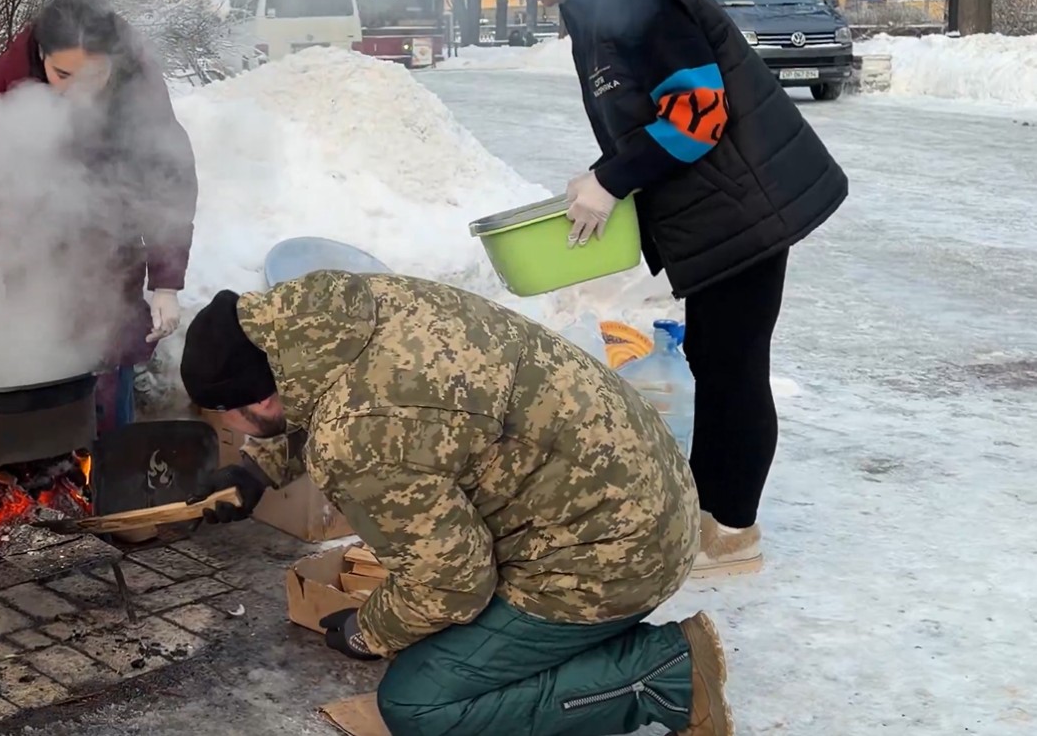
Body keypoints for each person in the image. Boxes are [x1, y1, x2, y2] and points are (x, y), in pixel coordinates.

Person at [181, 271, 728, 736]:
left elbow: (452, 584)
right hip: (646, 483)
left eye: (224, 414)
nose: (225, 427)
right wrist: (258, 469)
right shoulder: (347, 310)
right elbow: (370, 404)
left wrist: (369, 631)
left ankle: (666, 676)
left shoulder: (355, 439)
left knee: (419, 702)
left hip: (613, 555)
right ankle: (583, 649)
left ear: (263, 398)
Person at [491, 0, 848, 578]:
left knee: (734, 367)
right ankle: (710, 512)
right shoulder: (596, 3)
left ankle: (733, 535)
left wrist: (614, 180)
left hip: (745, 207)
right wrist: (604, 171)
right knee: (718, 361)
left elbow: (699, 114)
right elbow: (649, 113)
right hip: (724, 209)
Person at [0, 0, 197, 431]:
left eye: (92, 76)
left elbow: (167, 176)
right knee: (34, 344)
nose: (76, 89)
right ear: (41, 55)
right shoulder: (6, 78)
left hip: (110, 240)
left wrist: (166, 283)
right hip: (30, 243)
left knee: (108, 345)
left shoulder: (137, 80)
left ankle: (109, 459)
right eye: (63, 75)